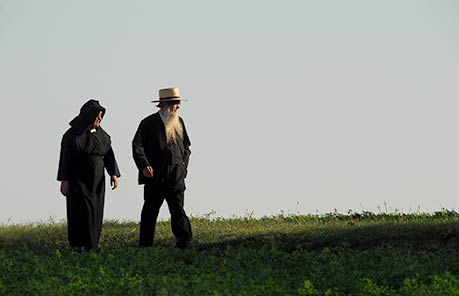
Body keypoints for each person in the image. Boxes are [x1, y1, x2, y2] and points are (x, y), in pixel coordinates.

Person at [132, 87, 192, 249]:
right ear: (165, 104)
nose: (178, 107)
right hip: (155, 176)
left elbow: (186, 146)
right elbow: (137, 146)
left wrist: (183, 166)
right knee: (150, 211)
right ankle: (145, 245)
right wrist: (144, 166)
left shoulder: (180, 122)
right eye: (175, 103)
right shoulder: (148, 123)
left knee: (178, 210)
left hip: (176, 175)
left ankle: (184, 242)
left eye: (179, 103)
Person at [57, 99, 120, 252]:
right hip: (78, 179)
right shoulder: (72, 135)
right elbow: (65, 158)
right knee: (82, 210)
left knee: (96, 211)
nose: (99, 119)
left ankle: (93, 245)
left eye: (101, 116)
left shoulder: (102, 134)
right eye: (97, 116)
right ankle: (81, 244)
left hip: (97, 181)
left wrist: (114, 174)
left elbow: (109, 155)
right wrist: (64, 180)